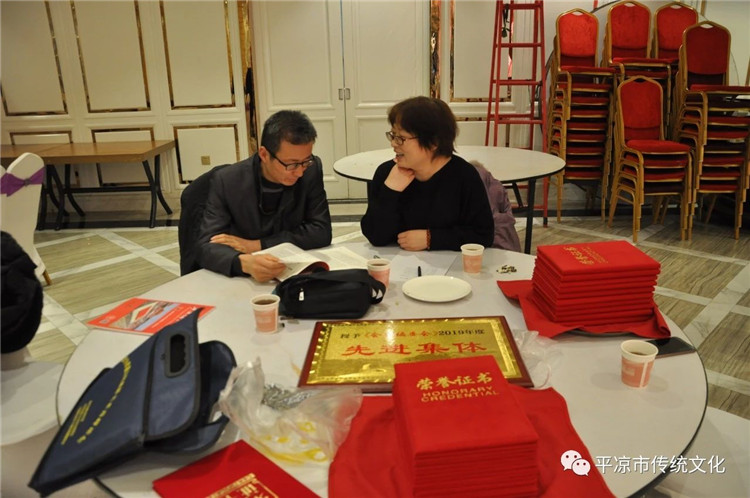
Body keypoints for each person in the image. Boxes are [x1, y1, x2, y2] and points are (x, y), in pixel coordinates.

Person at [197, 110, 332, 281]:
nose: (299, 172)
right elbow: (206, 247)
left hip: (293, 273)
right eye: (291, 164)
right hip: (243, 281)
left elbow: (321, 231)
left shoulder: (311, 170)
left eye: (306, 161)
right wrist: (244, 263)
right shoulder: (228, 181)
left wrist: (258, 245)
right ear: (264, 154)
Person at [360, 96, 494, 251]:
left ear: (433, 142)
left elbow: (483, 235)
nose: (393, 143)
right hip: (397, 262)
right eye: (393, 135)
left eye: (401, 138)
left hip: (451, 265)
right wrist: (390, 191)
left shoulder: (464, 176)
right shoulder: (387, 173)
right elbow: (375, 236)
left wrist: (431, 238)